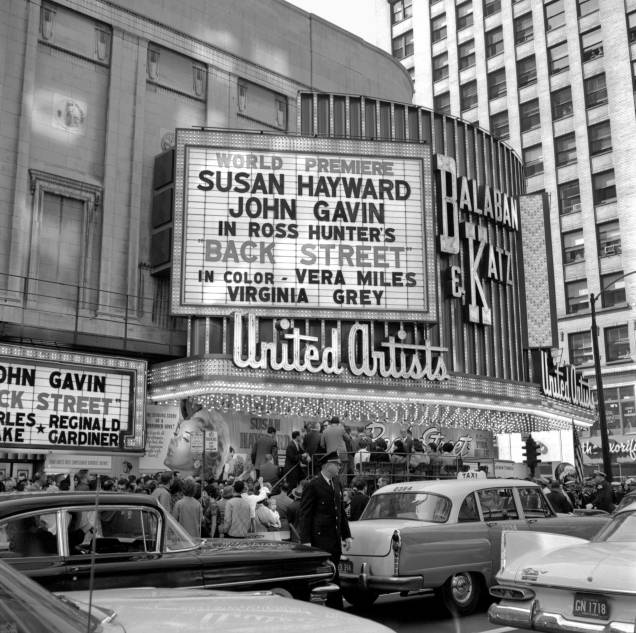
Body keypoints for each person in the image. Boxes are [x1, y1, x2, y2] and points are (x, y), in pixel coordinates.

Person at [299, 452, 352, 609]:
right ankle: (330, 607)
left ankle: (334, 607)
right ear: (327, 465)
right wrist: (306, 540)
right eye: (336, 464)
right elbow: (305, 514)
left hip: (334, 539)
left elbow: (340, 512)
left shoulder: (336, 484)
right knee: (322, 576)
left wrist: (346, 535)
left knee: (333, 574)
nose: (339, 467)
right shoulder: (313, 485)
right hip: (320, 540)